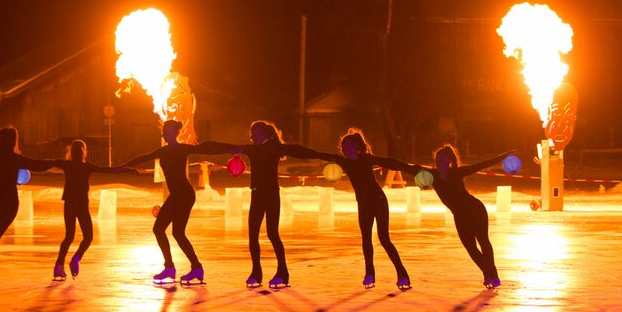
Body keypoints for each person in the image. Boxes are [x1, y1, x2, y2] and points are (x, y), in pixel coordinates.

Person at [221, 121, 328, 289]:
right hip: (256, 195)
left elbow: (297, 150)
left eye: (255, 133)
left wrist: (323, 155)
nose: (252, 136)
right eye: (252, 133)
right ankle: (256, 272)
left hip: (270, 195)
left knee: (272, 234)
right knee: (253, 235)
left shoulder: (273, 147)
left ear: (264, 134)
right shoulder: (253, 148)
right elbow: (227, 147)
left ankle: (282, 272)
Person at [122, 120, 231, 285]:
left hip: (184, 194)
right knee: (172, 232)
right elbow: (144, 157)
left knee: (163, 230)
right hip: (179, 195)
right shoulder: (164, 151)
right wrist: (123, 166)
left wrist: (231, 148)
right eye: (163, 130)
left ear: (174, 133)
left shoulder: (182, 149)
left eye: (167, 130)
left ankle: (176, 268)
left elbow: (204, 147)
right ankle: (191, 268)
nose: (164, 133)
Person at [313, 128, 415, 291]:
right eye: (344, 148)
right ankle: (370, 273)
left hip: (379, 201)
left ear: (357, 147)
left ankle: (402, 273)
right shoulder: (345, 162)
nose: (346, 151)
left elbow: (390, 162)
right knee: (366, 239)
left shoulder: (366, 159)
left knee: (384, 239)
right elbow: (319, 154)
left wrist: (414, 168)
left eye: (348, 147)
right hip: (364, 204)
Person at [402, 145, 513, 290]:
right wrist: (384, 162)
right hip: (460, 216)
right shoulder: (432, 175)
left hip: (475, 210)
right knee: (471, 248)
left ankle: (492, 275)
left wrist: (503, 156)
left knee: (484, 242)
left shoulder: (457, 172)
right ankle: (489, 273)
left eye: (442, 159)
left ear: (449, 160)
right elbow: (409, 168)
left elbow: (481, 165)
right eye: (437, 159)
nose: (439, 162)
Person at [0, 127, 56, 286]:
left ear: (0, 139)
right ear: (14, 140)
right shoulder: (16, 159)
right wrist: (59, 162)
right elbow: (38, 165)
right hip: (10, 201)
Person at [51, 140, 136, 281]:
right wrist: (126, 169)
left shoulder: (67, 165)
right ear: (84, 152)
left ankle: (59, 265)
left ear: (71, 152)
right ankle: (75, 259)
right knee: (88, 237)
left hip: (70, 204)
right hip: (81, 205)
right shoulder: (86, 167)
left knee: (69, 236)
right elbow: (109, 170)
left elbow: (45, 164)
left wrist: (24, 164)